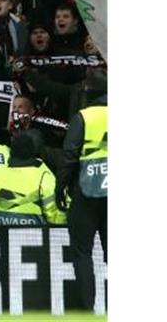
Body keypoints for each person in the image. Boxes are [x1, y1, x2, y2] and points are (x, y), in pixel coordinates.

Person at [56, 68, 107, 311]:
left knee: (82, 255)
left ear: (88, 91)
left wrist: (60, 188)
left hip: (86, 193)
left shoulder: (83, 117)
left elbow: (69, 156)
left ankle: (88, 310)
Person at [0, 132, 65, 227]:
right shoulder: (43, 177)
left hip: (0, 237)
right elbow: (54, 216)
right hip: (34, 239)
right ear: (33, 151)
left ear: (11, 152)